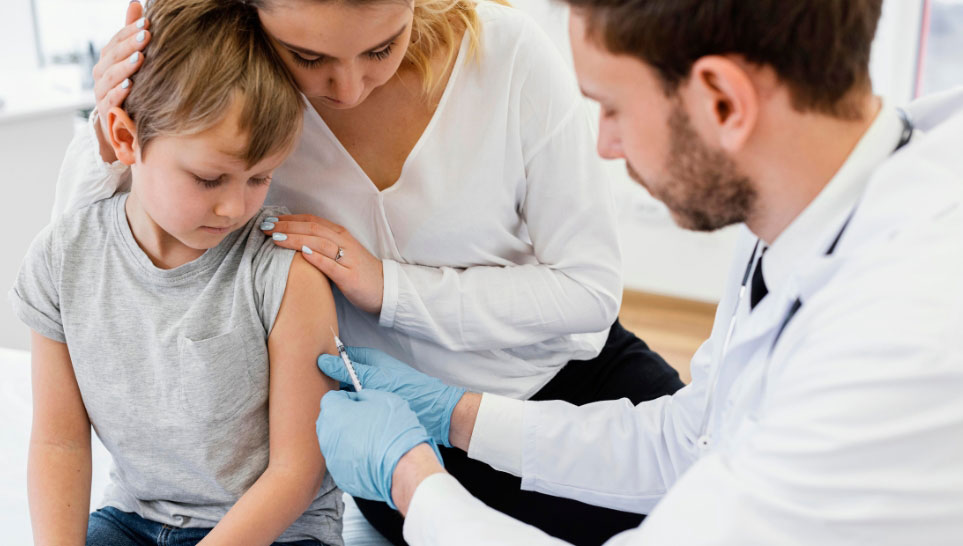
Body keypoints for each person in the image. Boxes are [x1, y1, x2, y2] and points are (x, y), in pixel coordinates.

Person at [312, 0, 963, 544]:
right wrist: (459, 415)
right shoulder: (808, 213)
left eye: (612, 107)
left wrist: (411, 481)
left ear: (721, 102)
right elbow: (689, 441)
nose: (605, 144)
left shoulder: (902, 341)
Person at [56, 0, 684, 543]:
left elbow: (589, 291)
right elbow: (78, 264)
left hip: (577, 389)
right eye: (308, 57)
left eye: (383, 46)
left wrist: (390, 289)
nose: (350, 87)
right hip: (399, 447)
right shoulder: (247, 106)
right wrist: (108, 127)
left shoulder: (508, 58)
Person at [9, 1, 345, 544]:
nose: (235, 208)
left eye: (259, 178)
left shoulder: (285, 268)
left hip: (277, 530)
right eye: (209, 179)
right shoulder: (60, 260)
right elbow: (58, 443)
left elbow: (296, 473)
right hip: (134, 521)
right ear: (124, 138)